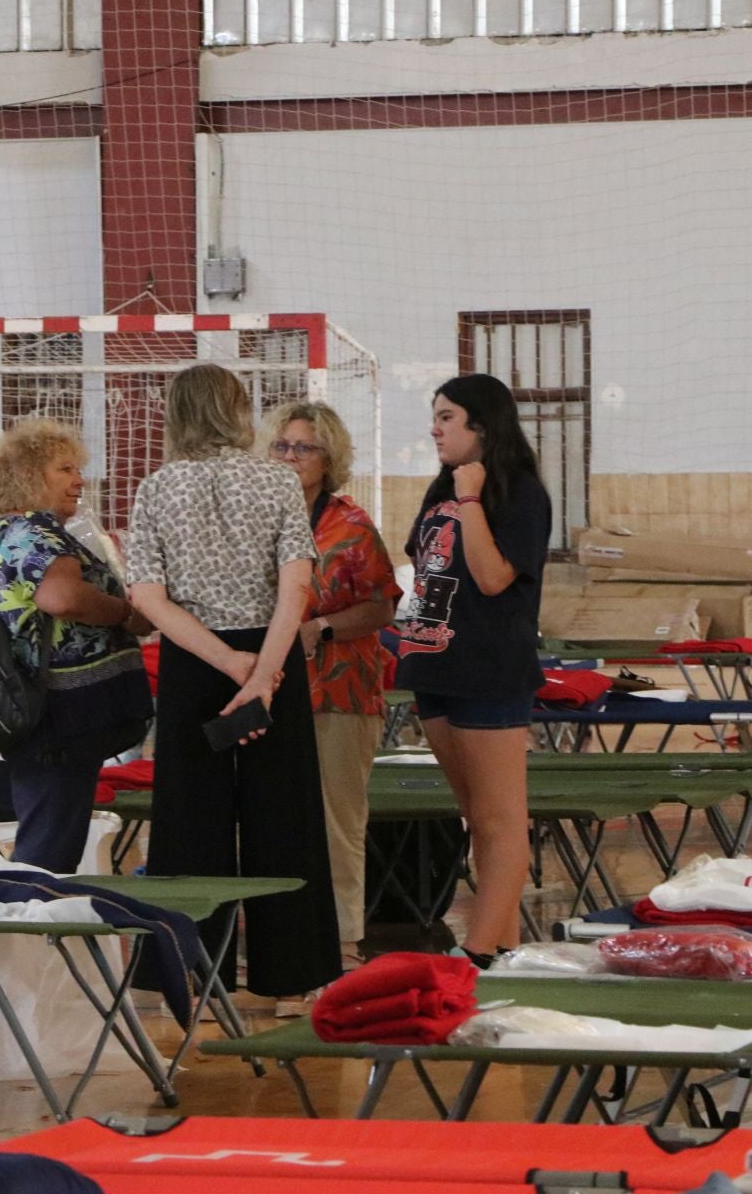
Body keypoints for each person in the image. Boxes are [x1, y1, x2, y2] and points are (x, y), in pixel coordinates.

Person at [126, 365, 341, 1003]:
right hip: (271, 661)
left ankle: (191, 974)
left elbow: (146, 597)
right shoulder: (278, 481)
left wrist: (225, 663)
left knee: (189, 821)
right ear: (238, 410)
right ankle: (294, 973)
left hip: (197, 662)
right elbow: (295, 587)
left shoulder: (156, 488)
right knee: (288, 817)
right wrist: (264, 672)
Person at [393, 373, 552, 970]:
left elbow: (491, 577)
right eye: (435, 416)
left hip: (491, 668)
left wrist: (469, 500)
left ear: (483, 425)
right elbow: (426, 568)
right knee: (475, 817)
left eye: (447, 417)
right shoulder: (442, 490)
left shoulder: (518, 494)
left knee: (499, 816)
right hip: (436, 666)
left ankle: (479, 951)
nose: (435, 428)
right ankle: (506, 943)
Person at [0, 418, 153, 873]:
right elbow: (63, 598)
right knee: (51, 841)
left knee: (51, 827)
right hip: (59, 714)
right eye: (65, 469)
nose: (79, 481)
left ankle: (39, 925)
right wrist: (124, 613)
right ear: (30, 475)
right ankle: (35, 926)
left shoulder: (3, 533)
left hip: (38, 712)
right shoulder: (37, 534)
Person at [262, 401, 399, 968]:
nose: (292, 457)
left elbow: (384, 605)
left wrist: (322, 628)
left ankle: (341, 943)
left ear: (329, 458)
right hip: (266, 687)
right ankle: (274, 940)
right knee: (272, 819)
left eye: (305, 447)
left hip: (339, 689)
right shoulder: (256, 516)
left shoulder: (352, 525)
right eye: (283, 446)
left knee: (336, 820)